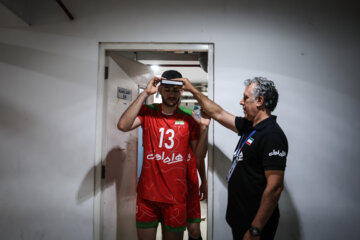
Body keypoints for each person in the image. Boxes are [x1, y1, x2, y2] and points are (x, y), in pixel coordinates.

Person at [177, 76, 288, 240]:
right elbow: (218, 113)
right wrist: (193, 90)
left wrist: (255, 229)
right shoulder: (251, 127)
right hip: (241, 220)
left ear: (259, 100)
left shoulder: (271, 135)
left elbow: (275, 188)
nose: (241, 102)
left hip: (255, 225)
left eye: (245, 98)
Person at [117, 70, 209, 240]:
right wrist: (145, 92)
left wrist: (204, 129)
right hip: (147, 197)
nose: (171, 94)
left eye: (176, 90)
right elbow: (123, 125)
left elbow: (198, 156)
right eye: (167, 89)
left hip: (176, 197)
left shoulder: (190, 117)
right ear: (159, 90)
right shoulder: (148, 111)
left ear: (182, 91)